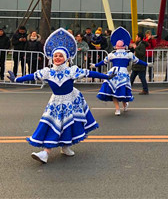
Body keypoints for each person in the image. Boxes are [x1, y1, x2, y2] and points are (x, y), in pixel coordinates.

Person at [8, 28, 114, 164]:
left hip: (71, 100)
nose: (57, 58)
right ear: (52, 58)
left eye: (60, 56)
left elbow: (90, 73)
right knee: (53, 125)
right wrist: (17, 79)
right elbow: (32, 76)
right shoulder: (47, 72)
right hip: (55, 102)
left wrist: (106, 76)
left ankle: (65, 146)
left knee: (68, 124)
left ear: (66, 58)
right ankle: (45, 153)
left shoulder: (71, 71)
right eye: (55, 56)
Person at [93, 27, 148, 116]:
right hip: (119, 74)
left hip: (114, 73)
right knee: (120, 91)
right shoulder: (126, 54)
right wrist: (147, 64)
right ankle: (119, 108)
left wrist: (95, 65)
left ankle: (122, 106)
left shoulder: (114, 55)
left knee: (116, 91)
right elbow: (138, 61)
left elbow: (103, 62)